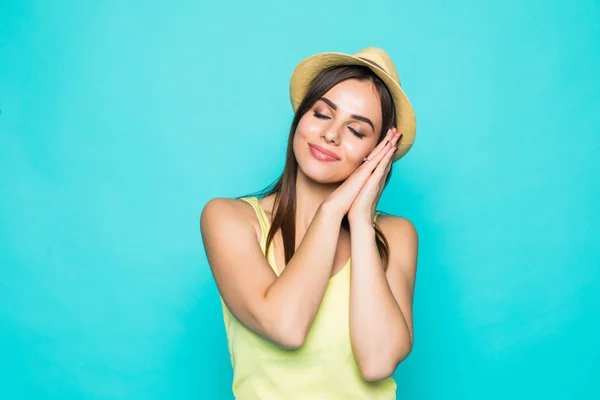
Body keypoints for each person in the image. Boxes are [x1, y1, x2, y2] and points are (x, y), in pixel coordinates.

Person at [200, 47, 418, 399]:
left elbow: (377, 362)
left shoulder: (394, 235)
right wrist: (331, 211)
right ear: (300, 118)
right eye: (321, 114)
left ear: (378, 153)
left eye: (357, 131)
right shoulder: (230, 219)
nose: (331, 134)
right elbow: (287, 326)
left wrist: (361, 221)